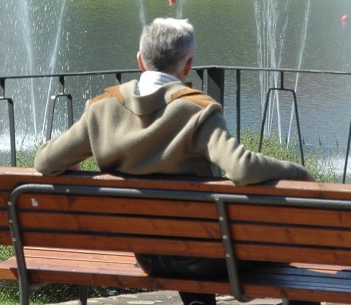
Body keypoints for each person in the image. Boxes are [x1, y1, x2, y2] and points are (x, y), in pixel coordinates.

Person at [34, 17, 311, 305]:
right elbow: (242, 167)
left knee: (186, 241)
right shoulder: (196, 110)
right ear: (188, 65)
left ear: (141, 60)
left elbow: (46, 161)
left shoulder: (102, 109)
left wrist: (73, 167)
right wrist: (298, 172)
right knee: (290, 259)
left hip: (148, 256)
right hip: (206, 256)